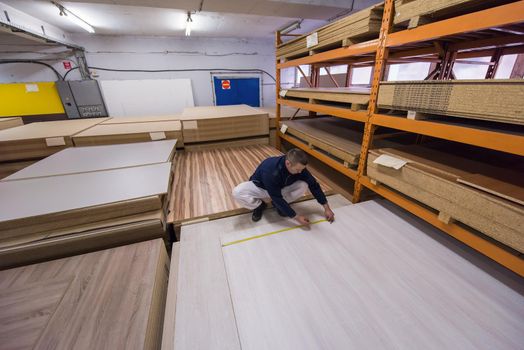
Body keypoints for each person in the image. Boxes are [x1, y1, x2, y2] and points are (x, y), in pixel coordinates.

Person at [232, 148, 335, 226]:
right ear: (288, 163)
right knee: (237, 192)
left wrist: (326, 208)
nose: (300, 172)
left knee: (304, 184)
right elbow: (276, 196)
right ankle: (259, 206)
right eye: (298, 170)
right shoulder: (270, 170)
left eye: (302, 169)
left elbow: (314, 185)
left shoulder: (299, 168)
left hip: (280, 188)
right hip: (261, 188)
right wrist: (296, 217)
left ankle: (279, 207)